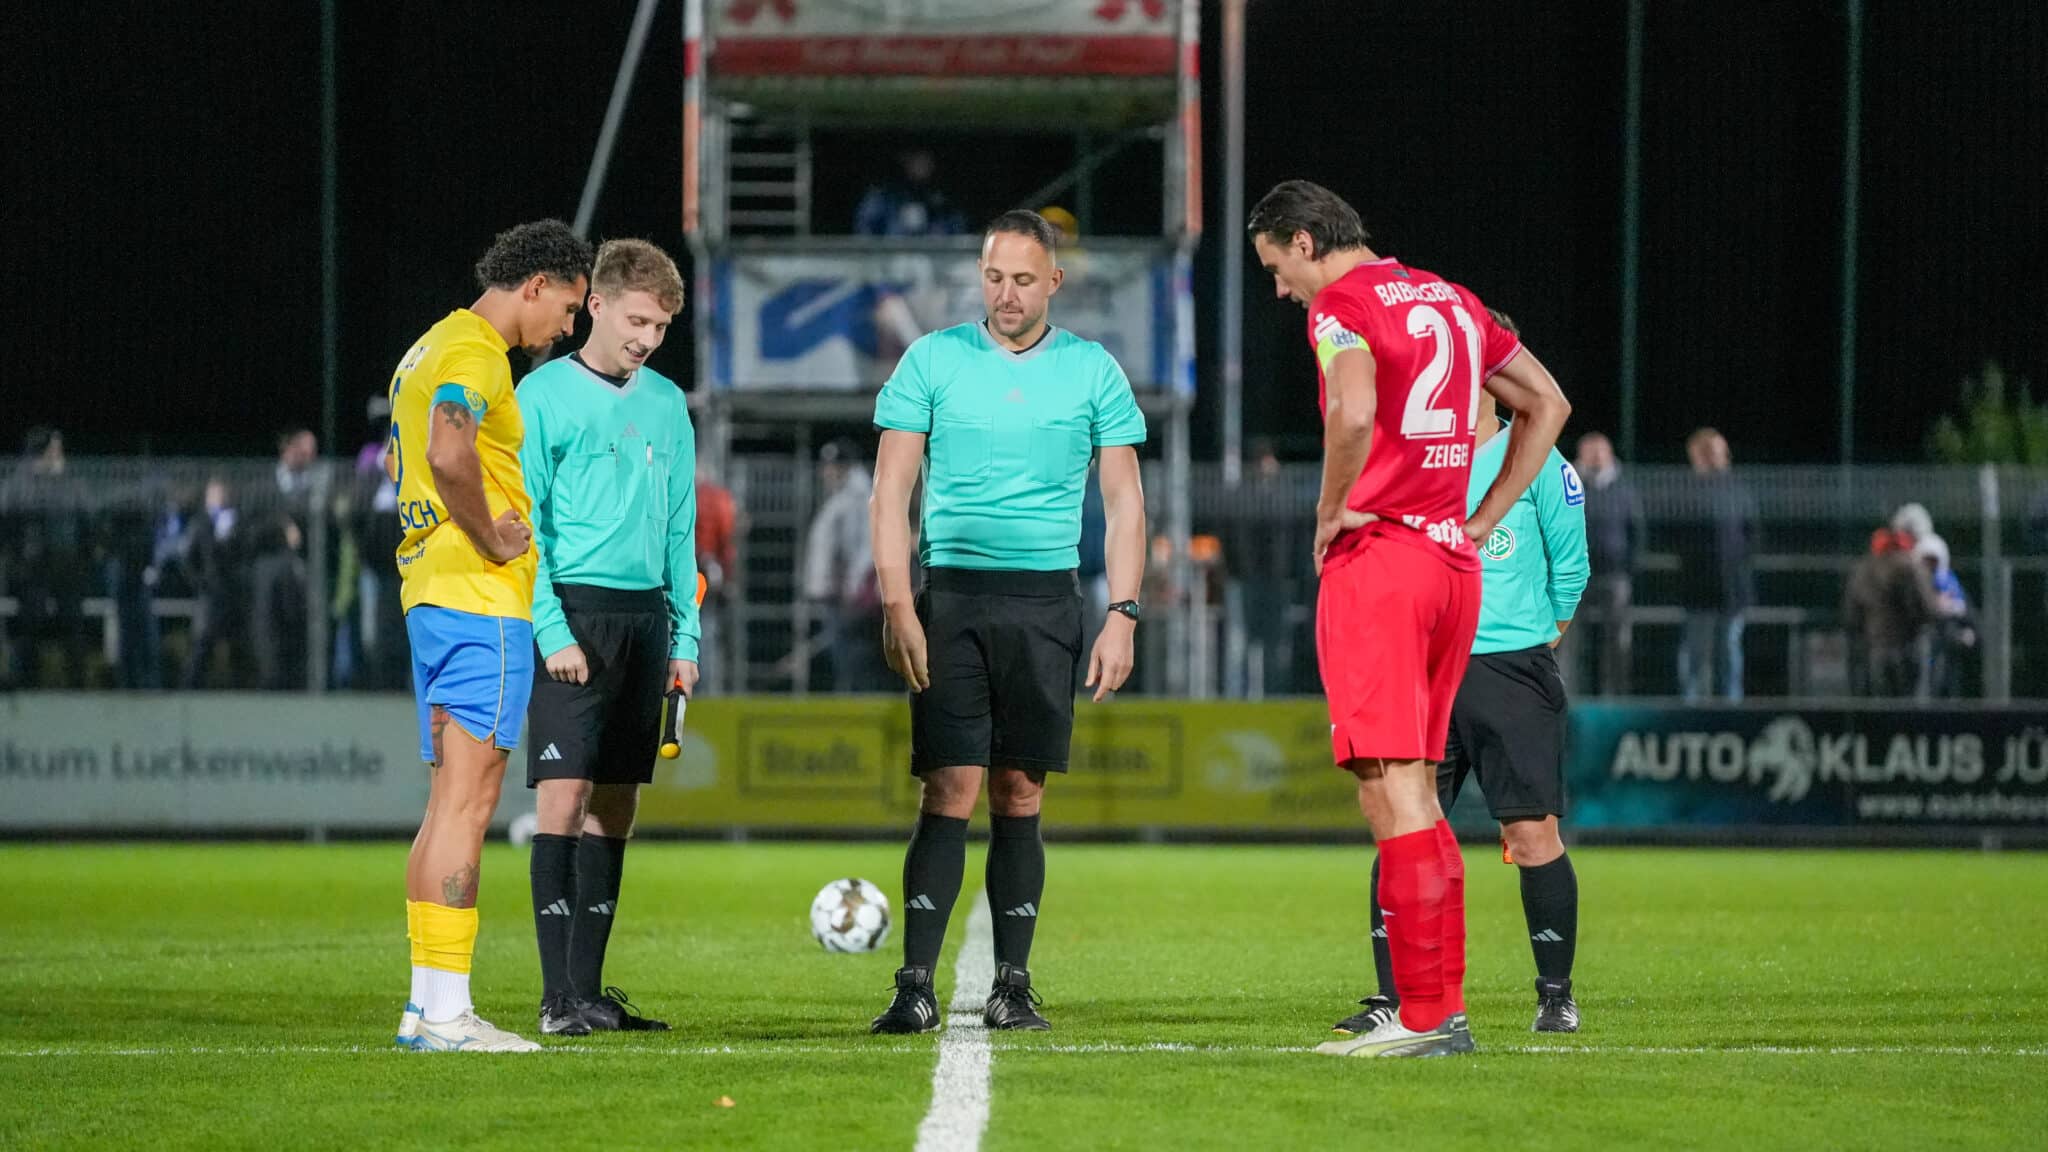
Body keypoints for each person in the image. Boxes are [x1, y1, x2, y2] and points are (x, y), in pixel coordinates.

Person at [1246, 179, 1570, 1059]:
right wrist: (1489, 513)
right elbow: (1548, 403)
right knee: (1416, 788)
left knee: (1392, 789)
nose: (1280, 290)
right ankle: (1437, 1014)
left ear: (1305, 242)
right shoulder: (1453, 299)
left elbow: (1352, 409)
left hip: (1382, 561)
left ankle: (1427, 1017)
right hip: (1451, 563)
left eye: (1277, 268)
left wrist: (1328, 509)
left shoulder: (1343, 305)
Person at [868, 210, 1148, 1034]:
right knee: (947, 786)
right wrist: (896, 600)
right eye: (995, 277)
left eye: (1025, 279)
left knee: (1020, 791)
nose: (1008, 294)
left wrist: (1123, 613)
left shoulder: (1094, 370)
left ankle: (1013, 984)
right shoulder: (932, 359)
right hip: (949, 595)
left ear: (1053, 282)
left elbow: (1126, 502)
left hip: (1046, 601)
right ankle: (914, 983)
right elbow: (891, 493)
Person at [1340, 311, 1588, 1040]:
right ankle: (1396, 999)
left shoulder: (1537, 458)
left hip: (1511, 672)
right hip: (1421, 673)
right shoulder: (1413, 456)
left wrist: (1524, 645)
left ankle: (1555, 995)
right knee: (1402, 831)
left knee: (1532, 835)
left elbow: (1570, 572)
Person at [388, 219, 591, 1054]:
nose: (569, 330)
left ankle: (425, 1005)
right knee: (469, 806)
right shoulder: (477, 351)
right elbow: (448, 448)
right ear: (535, 285)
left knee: (444, 806)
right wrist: (490, 535)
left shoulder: (429, 343)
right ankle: (445, 1016)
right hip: (478, 603)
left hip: (430, 598)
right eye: (571, 307)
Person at [518, 238, 697, 1037]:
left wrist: (685, 640)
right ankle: (557, 998)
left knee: (616, 809)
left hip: (647, 619)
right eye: (636, 321)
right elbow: (528, 530)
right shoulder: (542, 396)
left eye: (659, 327)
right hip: (573, 615)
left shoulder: (668, 404)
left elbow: (681, 532)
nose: (646, 339)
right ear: (594, 303)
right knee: (564, 798)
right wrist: (550, 627)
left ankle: (589, 992)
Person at [1674, 428, 1754, 702]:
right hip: (1697, 587)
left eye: (1715, 451)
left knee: (1729, 651)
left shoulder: (1738, 491)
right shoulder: (1684, 493)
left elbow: (1752, 535)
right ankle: (1691, 706)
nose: (1710, 458)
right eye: (1704, 452)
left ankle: (1731, 706)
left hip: (1732, 587)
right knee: (1695, 653)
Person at [803, 439, 883, 692]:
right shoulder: (843, 496)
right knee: (842, 659)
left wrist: (854, 586)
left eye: (832, 465)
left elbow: (862, 547)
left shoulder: (858, 497)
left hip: (849, 597)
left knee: (853, 659)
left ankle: (859, 708)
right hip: (839, 595)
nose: (826, 471)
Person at [1573, 431, 1643, 695]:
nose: (1596, 456)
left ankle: (1615, 694)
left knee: (1616, 641)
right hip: (1575, 577)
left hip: (1614, 576)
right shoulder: (1569, 486)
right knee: (1572, 640)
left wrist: (1628, 567)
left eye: (1600, 450)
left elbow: (1637, 531)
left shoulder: (1624, 490)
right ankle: (1570, 695)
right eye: (1591, 451)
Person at [1842, 526, 1937, 698]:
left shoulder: (1862, 571)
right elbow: (1926, 609)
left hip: (1877, 648)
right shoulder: (1910, 567)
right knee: (1913, 709)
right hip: (1909, 648)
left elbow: (1852, 615)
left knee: (1883, 711)